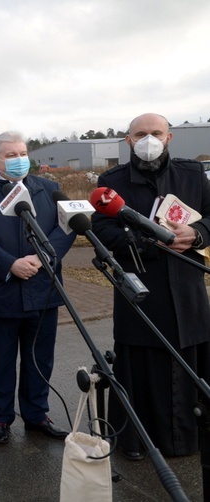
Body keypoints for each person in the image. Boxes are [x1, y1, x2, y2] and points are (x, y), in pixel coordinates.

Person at [91, 113, 210, 460]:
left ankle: (190, 440)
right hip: (139, 293)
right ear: (128, 140)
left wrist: (197, 234)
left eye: (155, 133)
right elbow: (102, 230)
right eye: (140, 134)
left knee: (191, 368)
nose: (148, 139)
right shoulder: (111, 181)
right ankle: (139, 442)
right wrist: (145, 242)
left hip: (187, 291)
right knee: (141, 370)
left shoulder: (192, 174)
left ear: (169, 137)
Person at [0, 131, 75, 446]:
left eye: (22, 152)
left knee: (40, 359)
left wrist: (40, 258)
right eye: (10, 154)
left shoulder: (50, 190)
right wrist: (10, 264)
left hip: (44, 290)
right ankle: (1, 418)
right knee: (2, 360)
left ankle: (37, 415)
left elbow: (65, 229)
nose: (18, 159)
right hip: (2, 291)